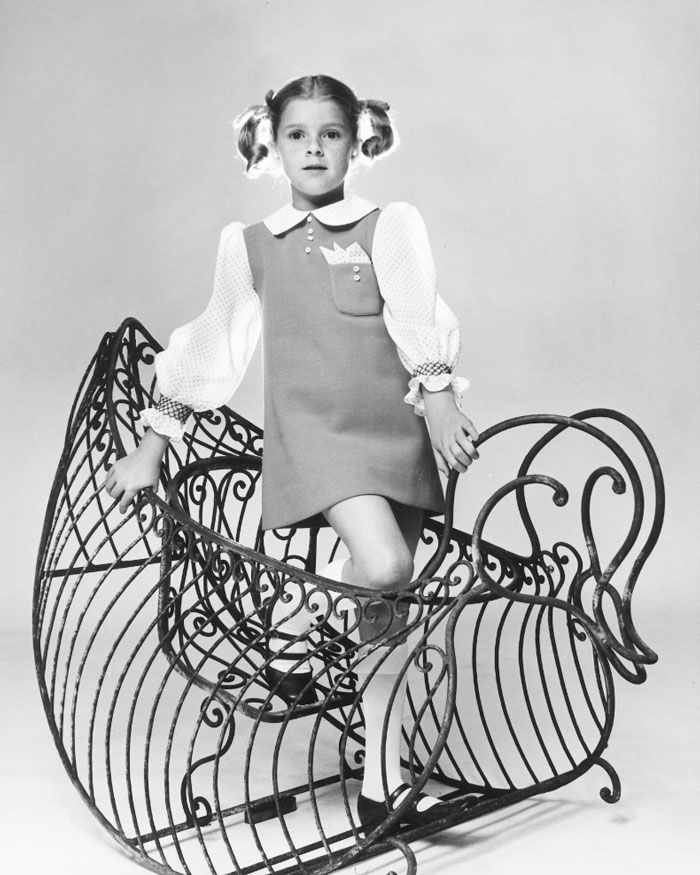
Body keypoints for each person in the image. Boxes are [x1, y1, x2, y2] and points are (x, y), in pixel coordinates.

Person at [105, 74, 480, 833]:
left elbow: (417, 313)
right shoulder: (251, 246)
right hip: (317, 440)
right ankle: (299, 615)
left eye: (330, 133)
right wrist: (152, 443)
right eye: (298, 134)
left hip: (395, 433)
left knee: (387, 610)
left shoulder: (389, 224)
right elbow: (211, 344)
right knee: (379, 569)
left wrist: (438, 398)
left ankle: (383, 783)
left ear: (356, 142)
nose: (314, 147)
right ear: (271, 146)